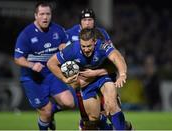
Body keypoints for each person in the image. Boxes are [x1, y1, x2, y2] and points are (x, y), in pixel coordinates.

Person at [47, 28, 128, 130]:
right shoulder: (72, 49)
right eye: (83, 46)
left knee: (111, 105)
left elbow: (117, 57)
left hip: (103, 77)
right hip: (87, 83)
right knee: (93, 118)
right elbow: (51, 63)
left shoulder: (102, 46)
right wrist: (64, 79)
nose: (86, 49)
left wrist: (122, 74)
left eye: (89, 46)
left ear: (94, 41)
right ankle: (121, 127)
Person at [66, 8, 132, 130]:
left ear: (94, 21)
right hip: (82, 80)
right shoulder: (69, 34)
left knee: (110, 107)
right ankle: (120, 127)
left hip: (102, 75)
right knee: (90, 120)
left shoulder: (101, 34)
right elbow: (61, 54)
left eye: (90, 19)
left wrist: (119, 73)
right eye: (84, 20)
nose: (87, 23)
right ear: (80, 22)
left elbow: (113, 55)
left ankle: (122, 127)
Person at [14, 2, 75, 130]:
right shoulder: (26, 34)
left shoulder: (58, 30)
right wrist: (31, 65)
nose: (45, 17)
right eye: (41, 14)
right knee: (45, 111)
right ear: (35, 15)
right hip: (33, 78)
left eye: (48, 14)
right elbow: (18, 59)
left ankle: (51, 112)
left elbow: (67, 44)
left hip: (52, 74)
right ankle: (47, 117)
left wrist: (65, 47)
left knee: (69, 103)